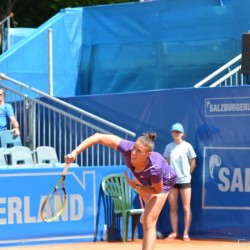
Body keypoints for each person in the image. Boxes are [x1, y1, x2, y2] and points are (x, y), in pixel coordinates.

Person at [65, 132, 177, 250]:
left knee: (149, 221)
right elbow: (98, 137)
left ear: (148, 154)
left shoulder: (155, 167)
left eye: (139, 151)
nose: (133, 153)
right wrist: (75, 152)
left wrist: (137, 187)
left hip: (163, 183)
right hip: (142, 179)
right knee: (148, 218)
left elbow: (157, 190)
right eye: (134, 148)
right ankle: (148, 209)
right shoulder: (127, 148)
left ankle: (148, 213)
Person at [163, 123, 196, 242]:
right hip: (172, 182)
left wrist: (188, 173)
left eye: (178, 132)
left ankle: (186, 233)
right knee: (173, 207)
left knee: (186, 208)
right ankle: (175, 232)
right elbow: (166, 164)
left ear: (182, 134)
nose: (175, 134)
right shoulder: (168, 147)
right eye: (174, 132)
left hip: (185, 181)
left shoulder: (188, 146)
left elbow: (193, 162)